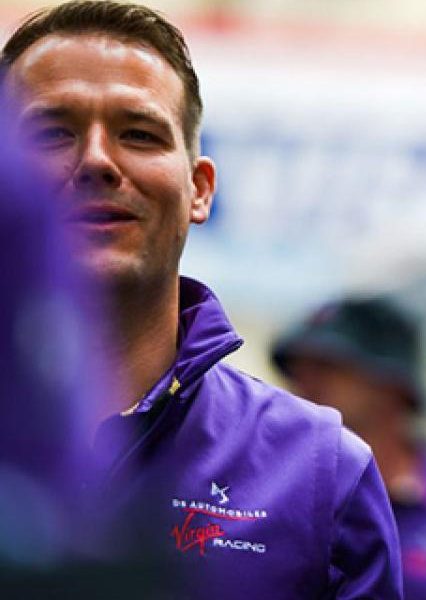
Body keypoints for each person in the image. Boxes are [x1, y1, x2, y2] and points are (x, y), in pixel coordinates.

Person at [0, 2, 404, 597]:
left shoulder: (321, 472)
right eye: (51, 132)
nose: (97, 161)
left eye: (139, 134)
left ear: (200, 189)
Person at [272, 297, 426, 600]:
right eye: (297, 372)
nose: (304, 385)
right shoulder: (277, 499)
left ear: (393, 384)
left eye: (327, 368)